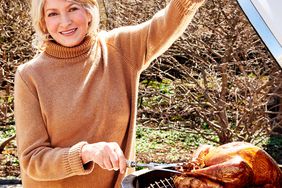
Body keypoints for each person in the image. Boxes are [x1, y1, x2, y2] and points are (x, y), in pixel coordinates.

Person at [14, 0, 205, 187]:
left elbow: (166, 22)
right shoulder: (29, 76)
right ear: (43, 22)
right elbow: (33, 160)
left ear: (89, 11)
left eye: (73, 8)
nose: (65, 21)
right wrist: (85, 152)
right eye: (53, 13)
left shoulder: (120, 49)